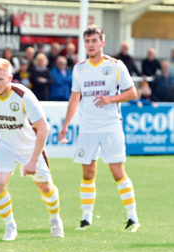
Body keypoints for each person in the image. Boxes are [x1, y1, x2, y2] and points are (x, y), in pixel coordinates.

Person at [59, 24, 139, 232]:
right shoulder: (80, 68)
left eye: (95, 41)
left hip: (111, 126)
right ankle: (86, 218)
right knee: (87, 172)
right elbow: (74, 98)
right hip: (88, 128)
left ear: (102, 43)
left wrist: (110, 99)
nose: (91, 45)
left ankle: (132, 217)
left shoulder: (115, 65)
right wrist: (66, 125)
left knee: (117, 172)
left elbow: (132, 93)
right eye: (88, 41)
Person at [0, 58, 64, 240]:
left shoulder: (23, 95)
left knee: (45, 187)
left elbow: (43, 128)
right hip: (4, 145)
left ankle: (55, 218)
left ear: (10, 78)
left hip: (29, 146)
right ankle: (10, 226)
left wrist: (33, 160)